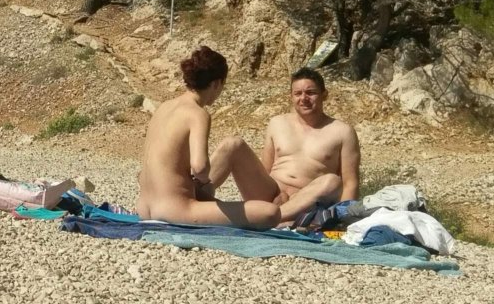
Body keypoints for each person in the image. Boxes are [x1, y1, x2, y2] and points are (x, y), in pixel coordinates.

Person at [137, 46, 281, 229]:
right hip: (174, 210)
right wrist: (205, 184)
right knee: (270, 213)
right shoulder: (197, 113)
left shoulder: (164, 107)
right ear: (216, 83)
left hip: (144, 208)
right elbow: (200, 167)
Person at [205, 67, 361, 223]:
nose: (304, 98)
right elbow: (264, 170)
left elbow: (350, 182)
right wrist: (277, 195)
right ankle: (190, 198)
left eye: (311, 93)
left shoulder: (342, 132)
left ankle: (270, 217)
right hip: (270, 196)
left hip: (304, 202)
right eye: (298, 93)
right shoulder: (278, 123)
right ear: (291, 97)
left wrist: (344, 219)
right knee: (232, 144)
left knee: (332, 181)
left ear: (324, 95)